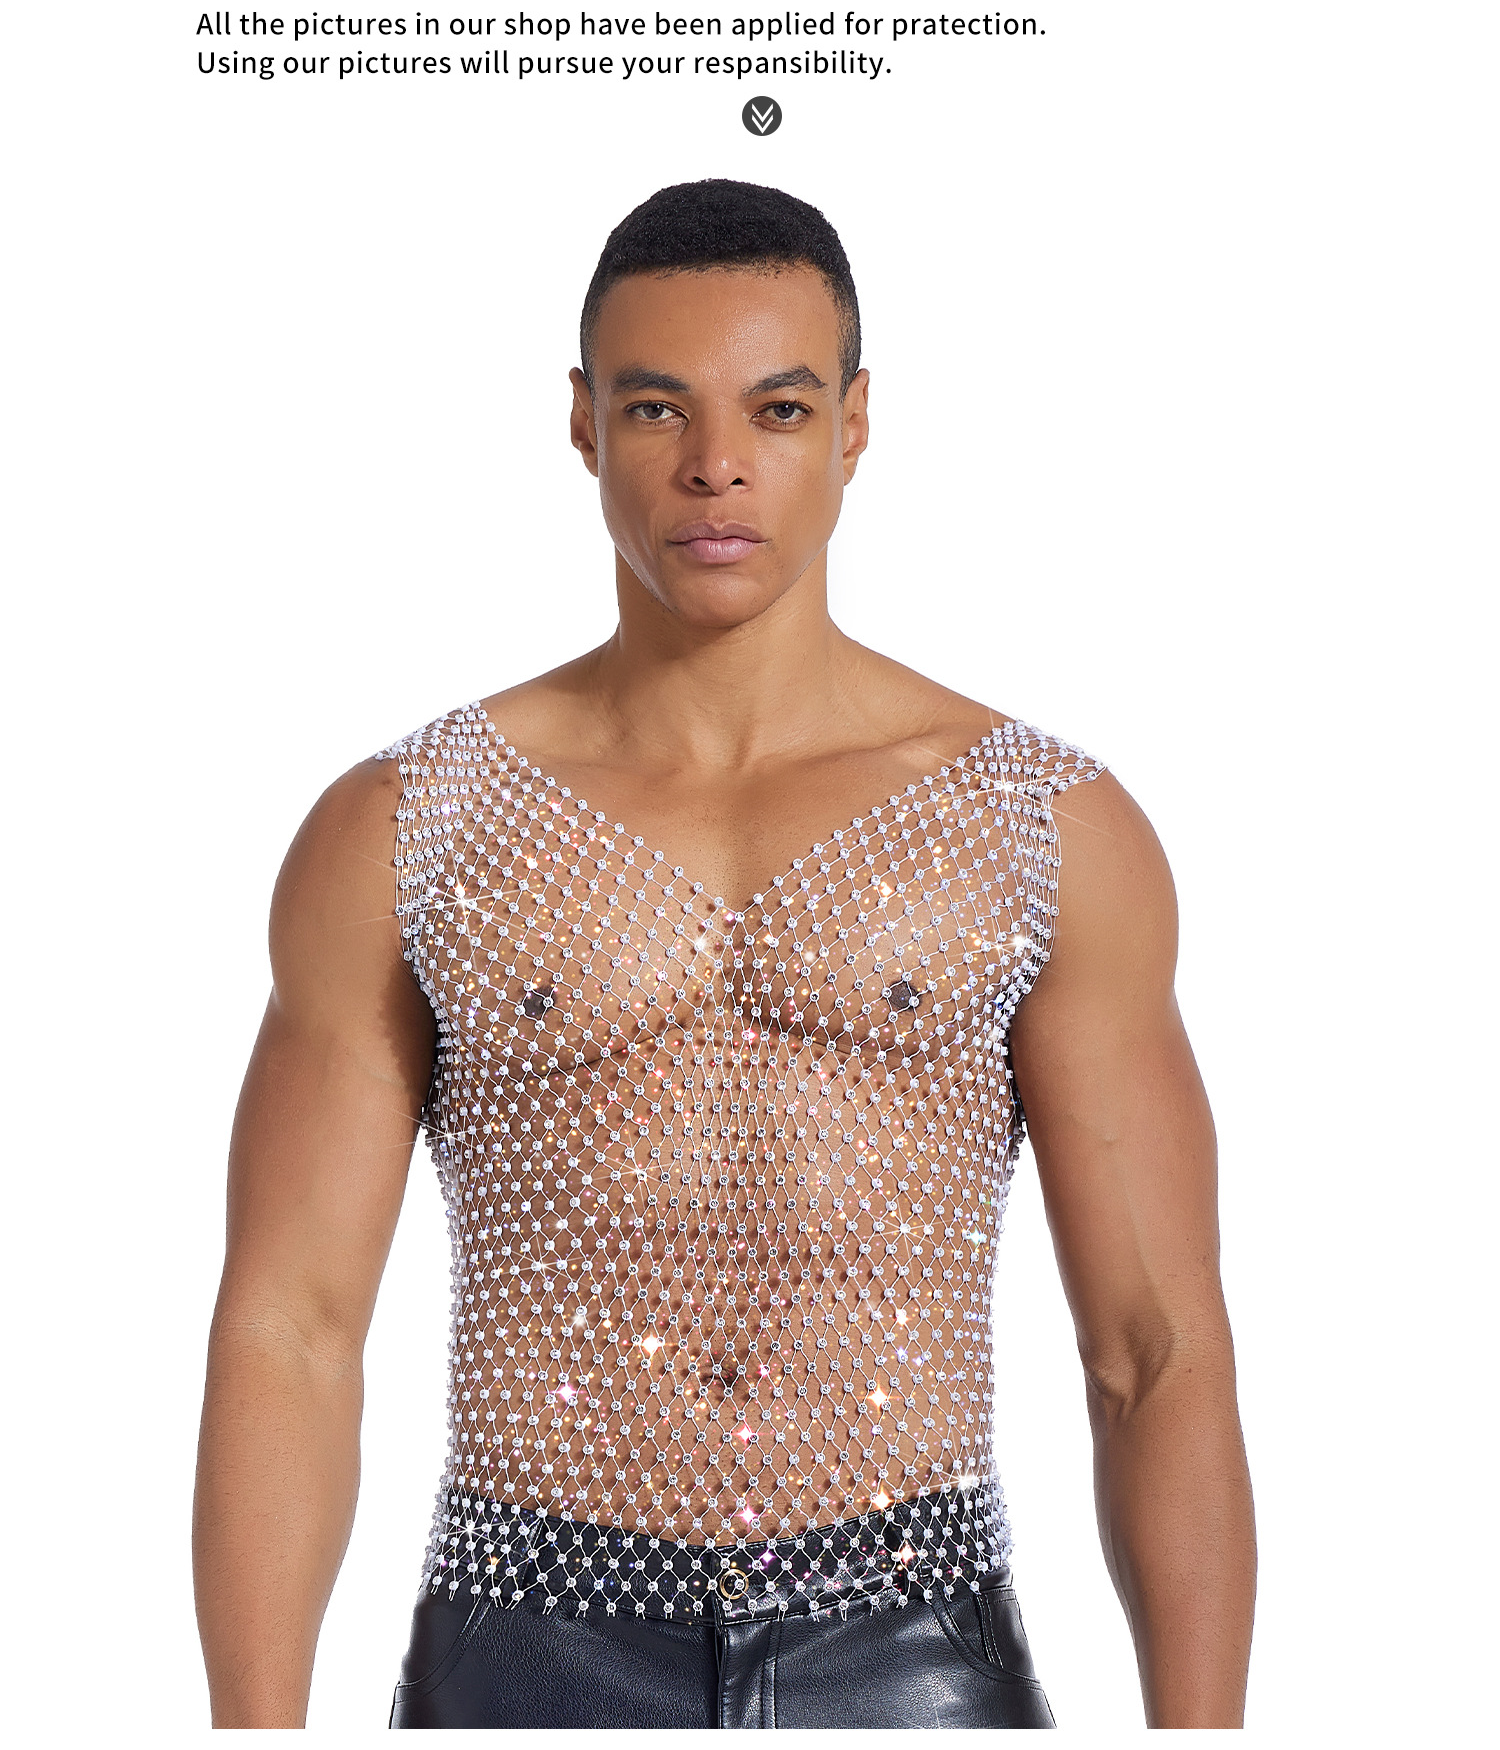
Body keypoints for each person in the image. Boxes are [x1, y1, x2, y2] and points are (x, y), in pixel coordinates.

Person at [193, 178, 1255, 1729]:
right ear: (582, 424)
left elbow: (1155, 1350)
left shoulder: (1041, 825)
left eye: (778, 407)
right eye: (655, 409)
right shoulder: (410, 825)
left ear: (855, 424)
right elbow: (289, 1326)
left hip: (912, 1646)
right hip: (524, 1642)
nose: (715, 466)